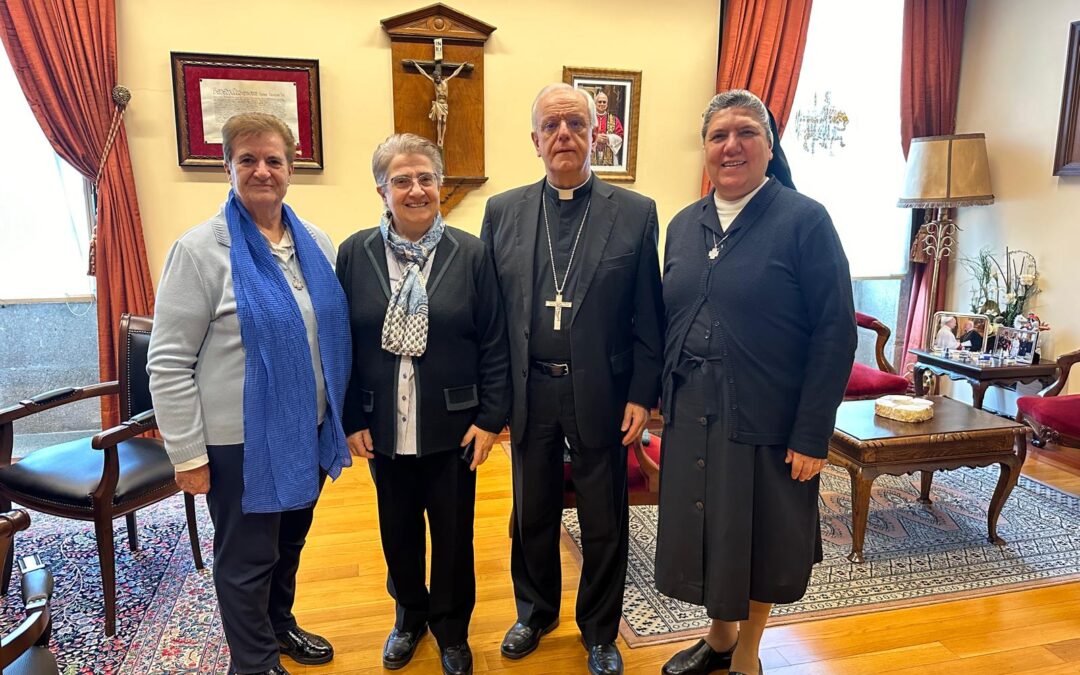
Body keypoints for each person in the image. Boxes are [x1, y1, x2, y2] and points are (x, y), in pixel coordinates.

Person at [654, 90, 856, 675]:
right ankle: (718, 635)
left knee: (762, 535)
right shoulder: (684, 225)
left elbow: (835, 333)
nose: (731, 146)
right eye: (718, 136)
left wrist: (812, 432)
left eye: (747, 133)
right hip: (693, 409)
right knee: (712, 526)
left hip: (769, 413)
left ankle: (748, 652)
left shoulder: (804, 220)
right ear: (705, 150)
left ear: (770, 146)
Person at [148, 112, 351, 675]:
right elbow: (167, 362)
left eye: (273, 160)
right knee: (245, 559)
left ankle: (278, 624)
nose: (262, 171)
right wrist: (188, 455)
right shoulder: (199, 251)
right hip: (239, 444)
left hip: (307, 431)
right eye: (248, 160)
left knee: (287, 545)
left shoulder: (315, 242)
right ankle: (254, 662)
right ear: (228, 167)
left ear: (292, 168)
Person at [480, 83, 664, 675]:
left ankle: (600, 630)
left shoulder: (634, 213)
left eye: (576, 125)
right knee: (531, 509)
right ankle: (534, 612)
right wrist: (494, 399)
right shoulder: (503, 211)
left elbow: (647, 314)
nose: (564, 135)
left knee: (603, 512)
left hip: (603, 391)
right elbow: (489, 317)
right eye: (552, 125)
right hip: (529, 389)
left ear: (595, 137)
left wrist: (641, 392)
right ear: (534, 140)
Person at [337, 133, 510, 675]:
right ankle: (409, 616)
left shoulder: (473, 252)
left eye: (425, 178)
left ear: (441, 186)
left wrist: (489, 420)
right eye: (401, 180)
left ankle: (452, 630)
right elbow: (343, 345)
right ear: (382, 191)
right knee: (398, 530)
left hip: (455, 426)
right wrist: (351, 417)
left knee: (455, 537)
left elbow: (495, 342)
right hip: (384, 425)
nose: (416, 190)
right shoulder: (354, 252)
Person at [591, 90, 624, 166]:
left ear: (607, 104)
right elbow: (582, 135)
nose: (602, 104)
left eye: (604, 102)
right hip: (591, 154)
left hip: (609, 154)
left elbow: (620, 136)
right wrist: (595, 138)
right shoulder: (589, 118)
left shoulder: (614, 119)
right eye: (599, 102)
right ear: (595, 103)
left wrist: (609, 138)